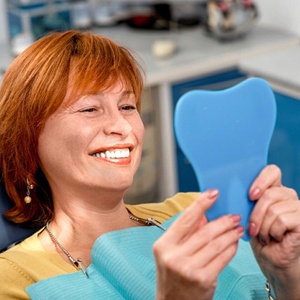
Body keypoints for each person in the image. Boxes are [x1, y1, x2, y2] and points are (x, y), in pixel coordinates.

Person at [0, 30, 300, 300]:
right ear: (29, 140)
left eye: (128, 106)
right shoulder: (14, 280)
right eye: (90, 109)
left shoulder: (200, 212)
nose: (122, 126)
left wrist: (287, 277)